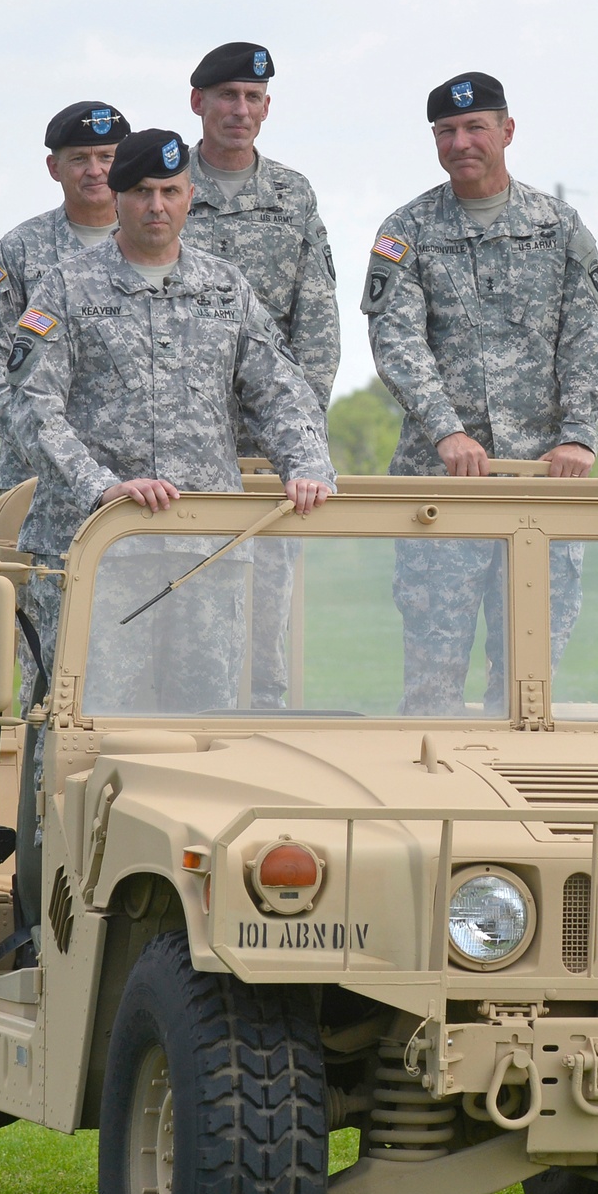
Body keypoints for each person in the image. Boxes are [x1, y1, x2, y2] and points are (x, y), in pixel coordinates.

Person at [7, 127, 336, 709]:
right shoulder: (65, 288)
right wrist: (101, 486)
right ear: (116, 197)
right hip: (95, 547)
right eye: (140, 192)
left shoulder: (225, 287)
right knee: (84, 718)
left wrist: (305, 463)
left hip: (203, 548)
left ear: (189, 197)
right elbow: (33, 408)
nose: (155, 206)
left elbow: (278, 389)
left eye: (169, 191)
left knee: (206, 721)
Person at [362, 70, 598, 714]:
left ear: (507, 130)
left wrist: (578, 435)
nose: (461, 142)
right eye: (445, 131)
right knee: (432, 680)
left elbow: (587, 335)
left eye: (476, 127)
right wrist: (447, 429)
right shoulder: (408, 229)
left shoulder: (558, 225)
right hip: (441, 489)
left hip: (543, 483)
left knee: (529, 686)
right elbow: (396, 341)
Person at [185, 42, 340, 707]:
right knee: (181, 609)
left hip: (268, 454)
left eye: (252, 98)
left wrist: (296, 436)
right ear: (199, 103)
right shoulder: (161, 188)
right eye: (227, 95)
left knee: (264, 618)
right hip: (179, 449)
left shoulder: (292, 194)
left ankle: (264, 738)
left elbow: (318, 324)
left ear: (266, 108)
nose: (239, 110)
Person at [0, 100, 132, 492]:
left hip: (141, 480)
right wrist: (46, 444)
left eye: (107, 156)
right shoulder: (18, 251)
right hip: (38, 481)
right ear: (54, 168)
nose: (95, 170)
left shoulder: (164, 246)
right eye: (79, 159)